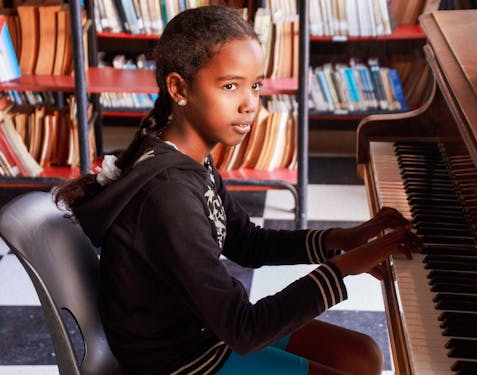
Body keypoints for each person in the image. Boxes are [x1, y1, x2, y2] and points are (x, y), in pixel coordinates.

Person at [54, 5, 421, 375]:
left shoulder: (190, 157)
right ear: (179, 89)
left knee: (363, 355)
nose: (250, 105)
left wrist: (341, 239)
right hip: (182, 361)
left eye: (255, 85)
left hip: (205, 332)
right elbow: (244, 329)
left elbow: (246, 241)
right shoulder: (168, 196)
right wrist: (343, 268)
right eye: (231, 86)